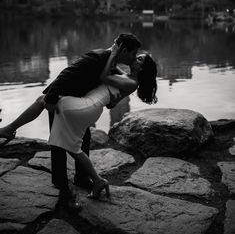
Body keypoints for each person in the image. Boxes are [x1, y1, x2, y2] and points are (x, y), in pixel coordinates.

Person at [1, 41, 158, 207]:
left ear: (141, 69)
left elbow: (104, 77)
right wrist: (113, 55)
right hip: (88, 106)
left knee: (46, 106)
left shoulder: (131, 82)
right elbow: (112, 84)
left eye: (139, 59)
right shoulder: (125, 76)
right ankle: (96, 180)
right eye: (136, 54)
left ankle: (10, 129)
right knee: (70, 144)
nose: (135, 58)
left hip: (86, 106)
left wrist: (112, 54)